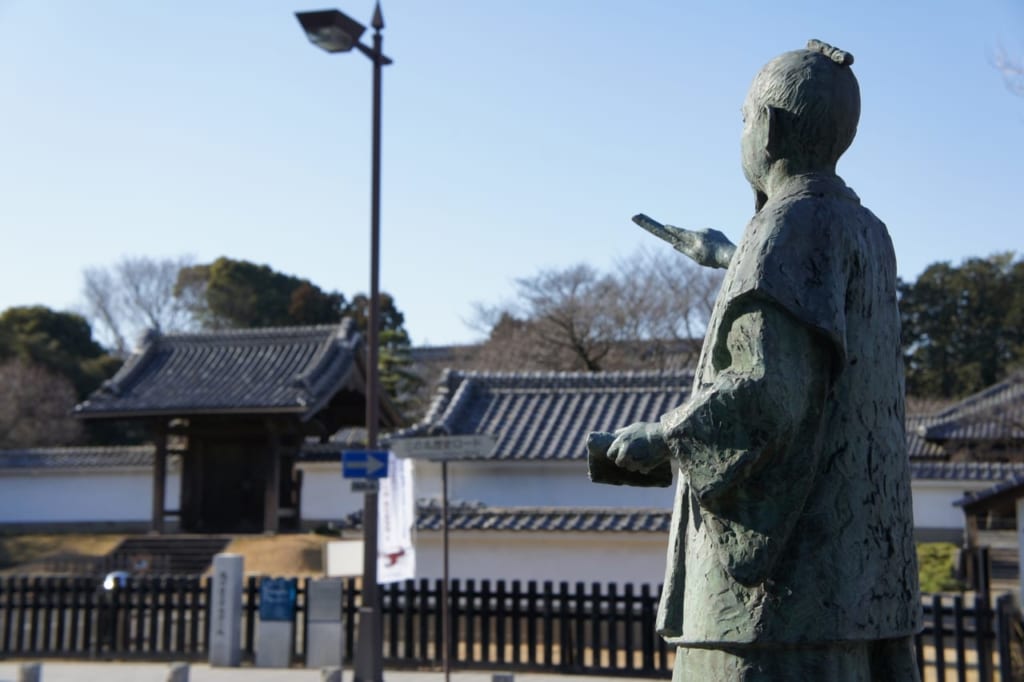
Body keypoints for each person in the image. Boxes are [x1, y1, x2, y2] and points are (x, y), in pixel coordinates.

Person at [587, 40, 921, 681]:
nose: (743, 131)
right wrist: (730, 254)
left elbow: (768, 394)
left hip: (777, 609)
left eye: (744, 118)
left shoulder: (785, 229)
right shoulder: (867, 230)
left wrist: (662, 437)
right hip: (863, 585)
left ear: (765, 128)